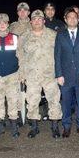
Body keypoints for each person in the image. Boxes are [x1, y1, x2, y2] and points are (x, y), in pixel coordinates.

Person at [17, 9, 62, 138]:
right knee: (32, 101)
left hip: (50, 74)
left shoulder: (53, 35)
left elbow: (59, 55)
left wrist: (60, 73)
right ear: (31, 21)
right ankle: (34, 127)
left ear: (44, 20)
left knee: (54, 100)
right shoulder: (24, 36)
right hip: (32, 74)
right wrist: (22, 74)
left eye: (39, 19)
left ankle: (55, 127)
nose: (37, 21)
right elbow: (20, 56)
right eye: (34, 19)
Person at [54, 8, 79, 137]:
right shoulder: (60, 34)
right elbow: (57, 56)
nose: (72, 19)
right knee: (65, 102)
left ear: (78, 19)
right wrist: (59, 74)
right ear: (65, 19)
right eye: (69, 17)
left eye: (74, 17)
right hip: (65, 76)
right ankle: (66, 126)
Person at [0, 13, 21, 139]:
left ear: (8, 24)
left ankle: (14, 126)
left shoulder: (15, 38)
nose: (2, 25)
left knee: (13, 100)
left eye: (4, 22)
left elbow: (20, 57)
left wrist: (21, 74)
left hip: (12, 74)